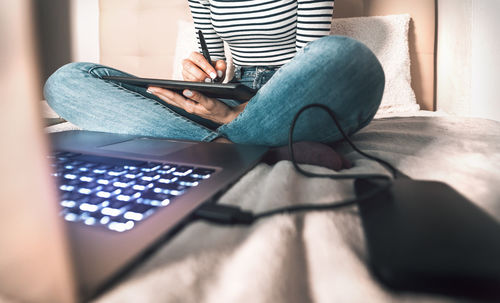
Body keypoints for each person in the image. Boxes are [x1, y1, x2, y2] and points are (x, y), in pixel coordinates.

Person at [44, 0, 385, 170]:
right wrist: (203, 76)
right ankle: (242, 146)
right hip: (229, 98)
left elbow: (312, 61)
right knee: (67, 80)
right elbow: (216, 68)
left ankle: (230, 137)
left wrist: (236, 113)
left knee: (349, 56)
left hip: (288, 96)